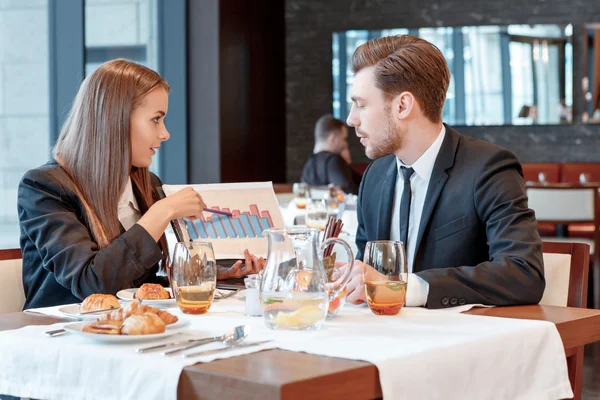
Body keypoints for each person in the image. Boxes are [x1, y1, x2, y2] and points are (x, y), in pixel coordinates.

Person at [18, 59, 264, 310]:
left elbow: (136, 283)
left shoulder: (145, 183)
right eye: (156, 119)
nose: (165, 133)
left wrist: (215, 274)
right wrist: (161, 212)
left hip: (133, 329)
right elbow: (91, 283)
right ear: (115, 120)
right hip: (60, 335)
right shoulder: (43, 188)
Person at [337, 35, 544, 309]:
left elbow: (523, 274)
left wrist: (407, 289)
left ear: (402, 105)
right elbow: (366, 275)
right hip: (381, 339)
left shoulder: (488, 169)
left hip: (462, 343)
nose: (351, 119)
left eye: (361, 104)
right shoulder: (375, 177)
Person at [301, 115, 361, 194]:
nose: (345, 144)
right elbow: (350, 193)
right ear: (333, 138)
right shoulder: (333, 160)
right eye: (344, 139)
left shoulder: (307, 167)